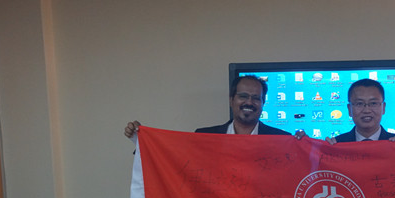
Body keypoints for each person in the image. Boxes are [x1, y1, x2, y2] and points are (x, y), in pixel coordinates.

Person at [124, 75, 291, 139]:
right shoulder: (204, 136)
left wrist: (301, 145)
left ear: (263, 103)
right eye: (243, 96)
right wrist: (140, 139)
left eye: (256, 98)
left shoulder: (282, 139)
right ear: (231, 100)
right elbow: (173, 160)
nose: (249, 102)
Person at [326, 79, 395, 144]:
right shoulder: (337, 145)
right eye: (359, 104)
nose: (367, 110)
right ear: (349, 109)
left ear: (383, 108)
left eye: (373, 103)